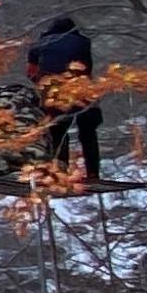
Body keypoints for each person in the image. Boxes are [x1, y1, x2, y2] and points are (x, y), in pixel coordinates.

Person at [26, 14, 101, 185]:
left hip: (55, 93)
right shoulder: (83, 42)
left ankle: (60, 172)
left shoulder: (40, 44)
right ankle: (93, 173)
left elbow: (31, 72)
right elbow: (87, 67)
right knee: (88, 132)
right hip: (83, 90)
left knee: (57, 132)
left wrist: (41, 82)